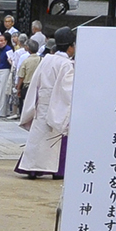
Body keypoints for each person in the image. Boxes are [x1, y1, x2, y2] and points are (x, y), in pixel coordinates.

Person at [16, 27, 74, 179]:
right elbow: (67, 90)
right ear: (70, 46)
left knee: (38, 137)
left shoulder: (47, 58)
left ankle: (31, 168)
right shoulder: (67, 64)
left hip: (42, 101)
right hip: (57, 103)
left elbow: (36, 81)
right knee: (56, 136)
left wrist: (32, 102)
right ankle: (57, 170)